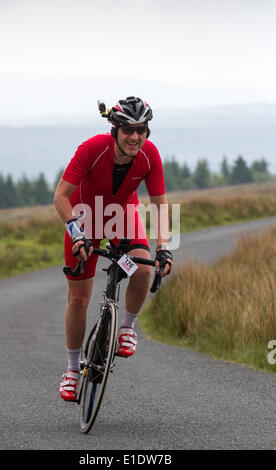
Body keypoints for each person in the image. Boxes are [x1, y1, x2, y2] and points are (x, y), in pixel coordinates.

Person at [54, 96, 173, 401]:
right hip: (84, 216)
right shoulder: (92, 149)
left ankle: (126, 328)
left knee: (144, 267)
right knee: (78, 300)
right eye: (129, 130)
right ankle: (71, 370)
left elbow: (160, 204)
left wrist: (163, 247)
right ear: (115, 130)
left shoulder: (149, 155)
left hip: (121, 215)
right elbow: (61, 196)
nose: (135, 137)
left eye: (142, 130)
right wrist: (76, 232)